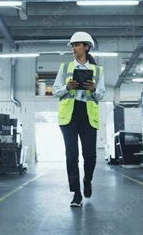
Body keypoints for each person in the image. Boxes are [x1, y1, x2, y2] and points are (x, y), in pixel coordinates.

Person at [52, 31, 105, 207]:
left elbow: (101, 95)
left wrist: (93, 89)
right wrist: (67, 87)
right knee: (71, 155)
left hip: (88, 115)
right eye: (72, 45)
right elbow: (55, 91)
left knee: (90, 156)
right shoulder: (65, 68)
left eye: (77, 45)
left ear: (86, 47)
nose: (73, 48)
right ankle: (76, 193)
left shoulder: (97, 70)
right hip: (69, 116)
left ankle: (87, 180)